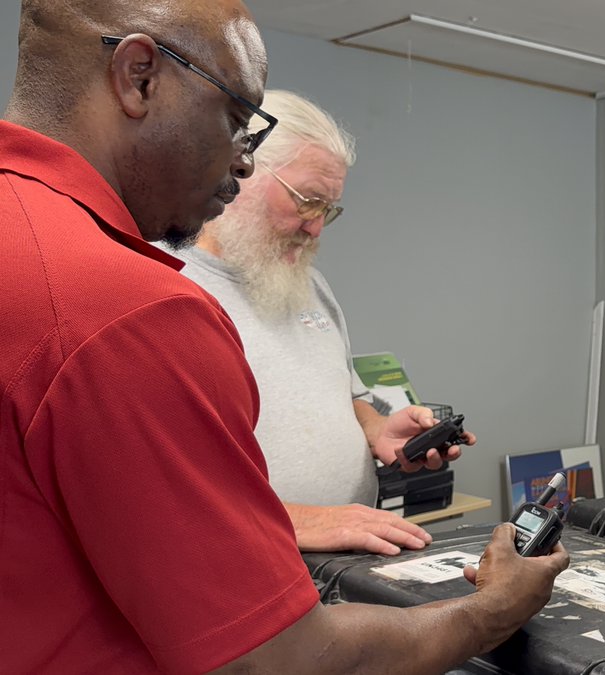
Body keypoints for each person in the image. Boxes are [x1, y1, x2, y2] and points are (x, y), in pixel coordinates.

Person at [0, 1, 567, 672]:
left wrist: (374, 427)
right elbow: (280, 661)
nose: (239, 160)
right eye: (238, 121)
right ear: (140, 79)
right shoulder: (131, 309)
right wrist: (496, 607)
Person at [166, 89, 472, 557]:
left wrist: (377, 431)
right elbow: (166, 481)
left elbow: (344, 396)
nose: (316, 227)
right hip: (249, 564)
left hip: (343, 561)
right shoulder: (164, 287)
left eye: (327, 209)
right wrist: (305, 520)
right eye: (306, 201)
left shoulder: (308, 284)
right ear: (240, 167)